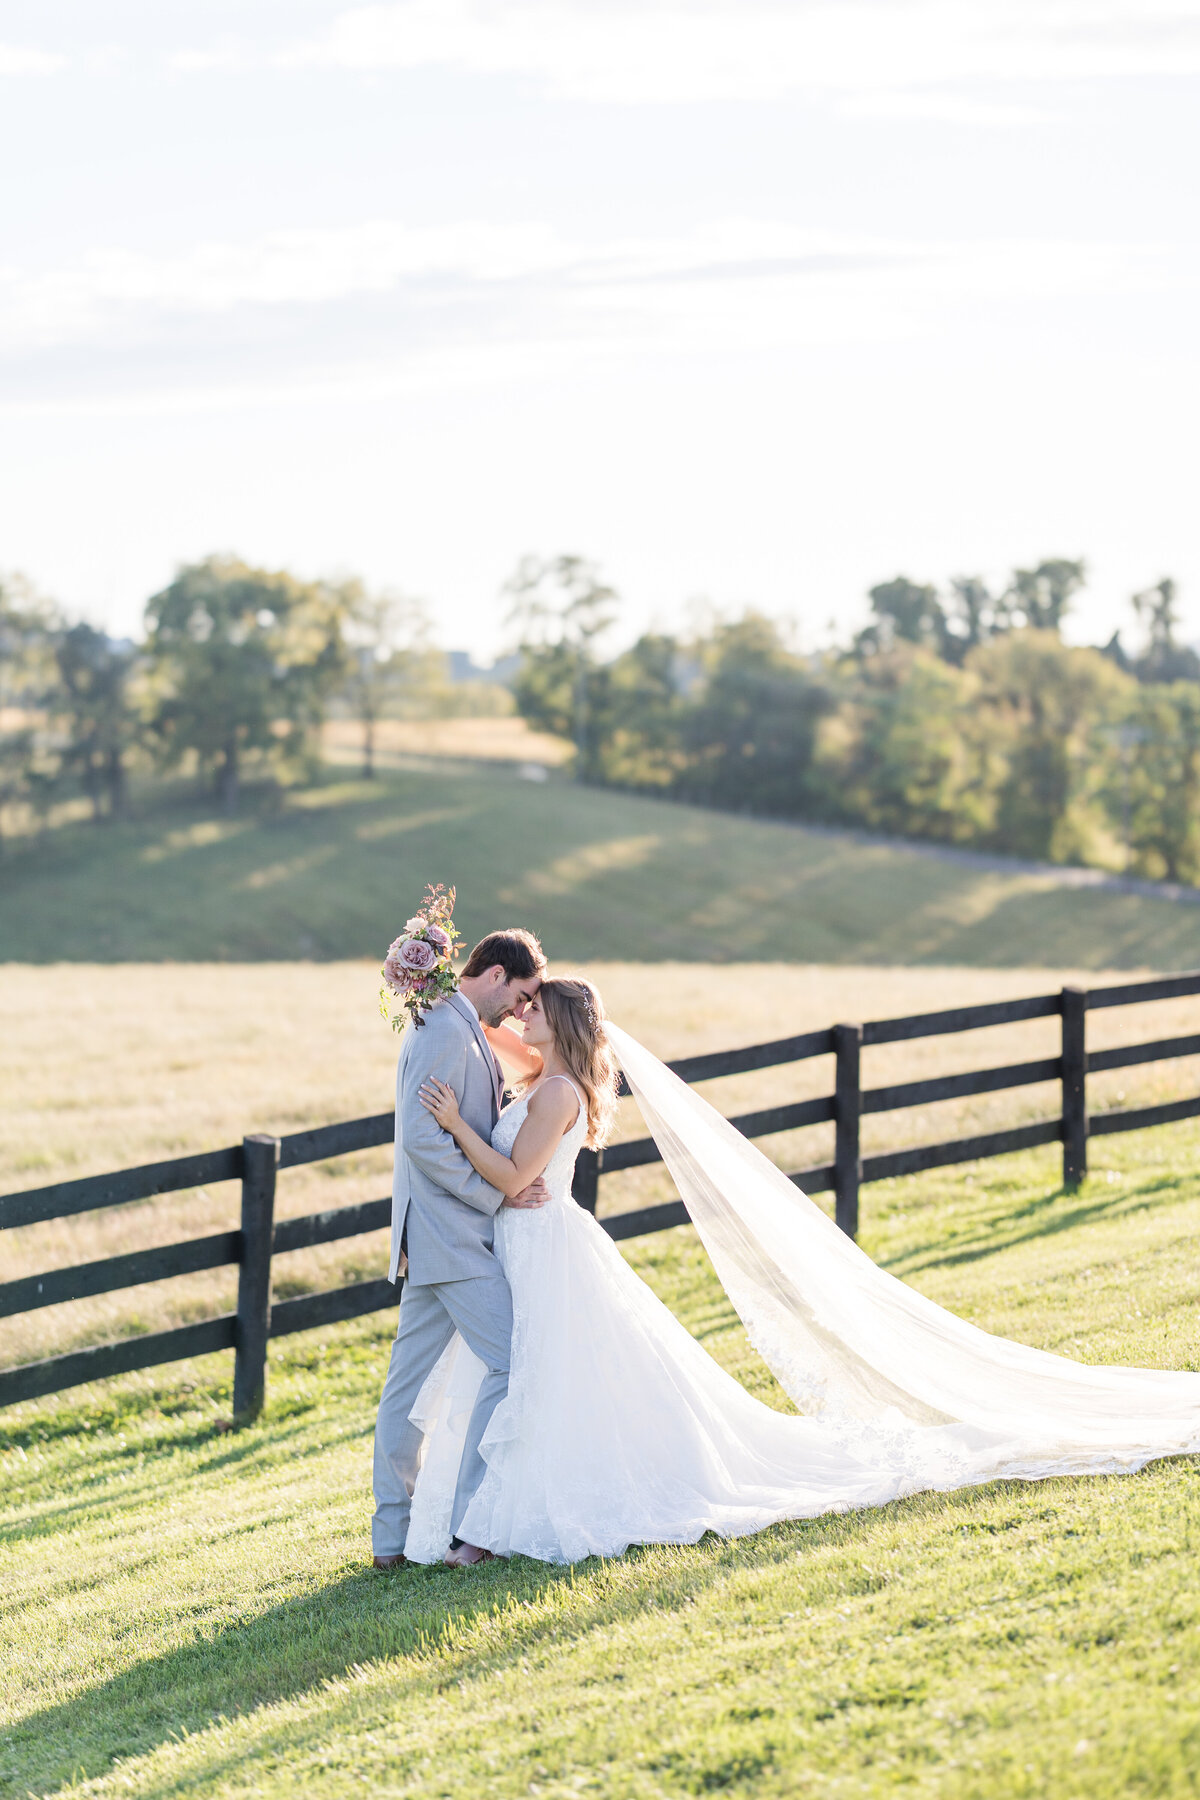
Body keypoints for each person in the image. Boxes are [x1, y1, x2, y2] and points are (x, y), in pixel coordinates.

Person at [400, 975, 1200, 1567]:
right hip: (525, 1249)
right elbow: (479, 1031)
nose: (521, 1012)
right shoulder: (540, 1076)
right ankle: (486, 1524)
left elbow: (511, 1181)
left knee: (543, 1375)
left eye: (533, 1005)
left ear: (560, 1022)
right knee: (536, 1376)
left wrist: (449, 1125)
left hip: (544, 1245)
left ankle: (496, 1528)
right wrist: (431, 990)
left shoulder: (557, 1095)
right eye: (521, 1003)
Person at [371, 927, 549, 1571]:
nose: (523, 1011)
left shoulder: (453, 1019)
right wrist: (494, 1197)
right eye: (524, 994)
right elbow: (423, 1139)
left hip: (436, 1234)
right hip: (451, 1236)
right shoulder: (447, 1027)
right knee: (510, 1362)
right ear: (497, 973)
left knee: (407, 1383)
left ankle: (392, 1537)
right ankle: (465, 1528)